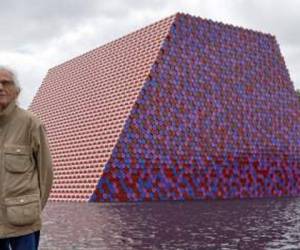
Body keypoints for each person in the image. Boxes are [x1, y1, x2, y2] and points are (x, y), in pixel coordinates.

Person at [0, 66, 53, 250]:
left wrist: (32, 209)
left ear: (17, 91)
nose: (0, 87)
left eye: (5, 83)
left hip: (23, 223)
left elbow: (45, 174)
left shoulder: (31, 123)